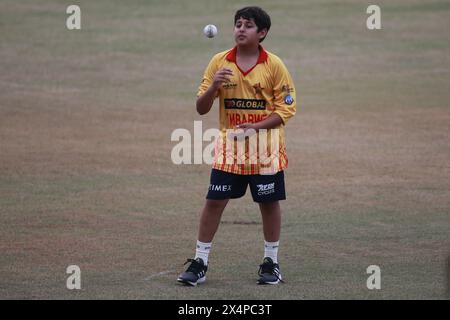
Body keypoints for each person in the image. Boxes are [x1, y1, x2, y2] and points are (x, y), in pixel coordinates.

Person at [177, 6, 296, 286]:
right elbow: (201, 108)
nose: (241, 29)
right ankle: (200, 263)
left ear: (262, 33)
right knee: (214, 202)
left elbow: (287, 110)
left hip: (265, 151)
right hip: (229, 151)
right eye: (238, 24)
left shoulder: (274, 66)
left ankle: (271, 263)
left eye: (248, 25)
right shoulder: (219, 62)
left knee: (268, 203)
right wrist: (212, 86)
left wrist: (255, 128)